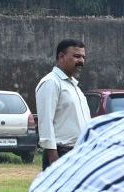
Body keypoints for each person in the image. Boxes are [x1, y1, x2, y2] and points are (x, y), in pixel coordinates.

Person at [35, 39, 90, 170]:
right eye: (76, 56)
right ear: (61, 57)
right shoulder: (51, 82)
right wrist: (55, 162)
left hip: (80, 153)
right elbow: (45, 124)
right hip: (61, 154)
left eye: (83, 57)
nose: (81, 61)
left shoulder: (74, 86)